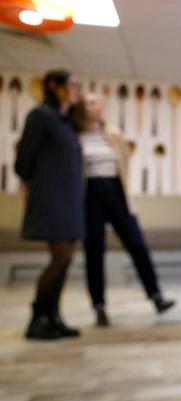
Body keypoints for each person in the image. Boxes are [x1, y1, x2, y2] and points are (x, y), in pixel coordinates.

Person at [73, 93, 175, 327]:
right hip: (90, 195)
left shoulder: (114, 135)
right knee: (94, 251)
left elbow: (124, 163)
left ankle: (156, 297)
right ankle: (99, 306)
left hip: (117, 193)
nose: (97, 106)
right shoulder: (76, 137)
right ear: (81, 108)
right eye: (91, 102)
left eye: (98, 102)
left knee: (137, 244)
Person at [15, 70, 83, 340]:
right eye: (72, 85)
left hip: (70, 200)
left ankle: (54, 317)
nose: (76, 90)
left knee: (66, 261)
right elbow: (23, 163)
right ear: (54, 86)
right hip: (50, 198)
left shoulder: (67, 123)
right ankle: (36, 319)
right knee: (61, 258)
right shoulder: (40, 116)